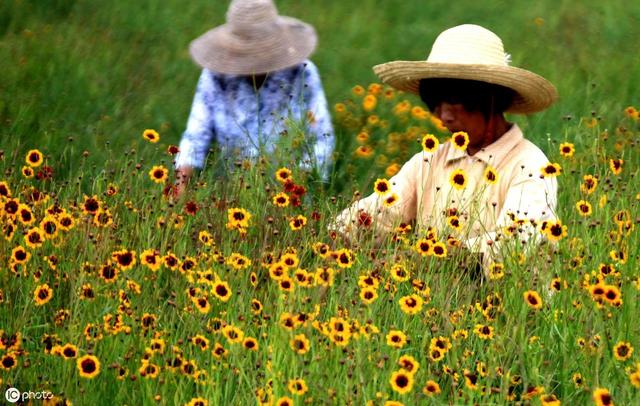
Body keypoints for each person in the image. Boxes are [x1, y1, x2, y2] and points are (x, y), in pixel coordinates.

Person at [332, 24, 559, 272]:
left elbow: (516, 243)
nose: (444, 116)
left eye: (454, 102)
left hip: (506, 303)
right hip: (436, 302)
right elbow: (376, 215)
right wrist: (332, 236)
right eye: (436, 104)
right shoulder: (431, 161)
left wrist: (428, 261)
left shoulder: (530, 166)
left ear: (490, 98)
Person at [174, 0, 335, 196]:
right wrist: (180, 190)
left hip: (291, 196)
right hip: (230, 194)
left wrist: (297, 184)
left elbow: (322, 138)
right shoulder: (216, 76)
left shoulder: (301, 73)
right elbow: (195, 137)